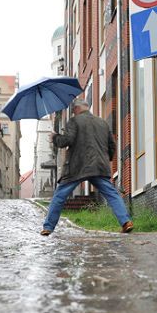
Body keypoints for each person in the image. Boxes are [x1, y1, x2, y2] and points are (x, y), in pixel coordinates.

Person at [40, 98, 133, 236]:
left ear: (76, 109)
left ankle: (48, 227)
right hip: (99, 166)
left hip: (77, 167)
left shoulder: (74, 121)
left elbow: (67, 141)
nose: (73, 113)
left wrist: (55, 137)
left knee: (60, 196)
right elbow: (111, 145)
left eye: (73, 111)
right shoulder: (102, 122)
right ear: (86, 107)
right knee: (112, 194)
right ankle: (126, 222)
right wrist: (106, 159)